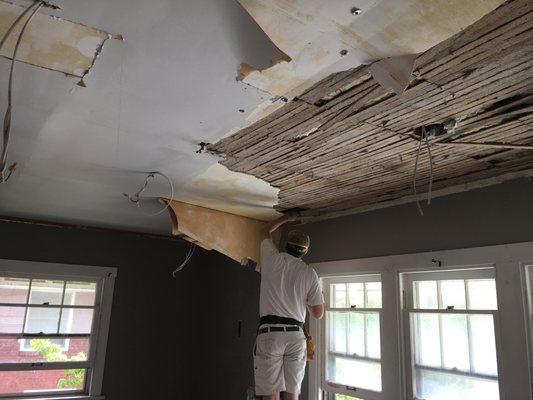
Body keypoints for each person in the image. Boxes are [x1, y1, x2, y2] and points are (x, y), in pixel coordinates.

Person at [254, 215, 325, 400]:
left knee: (271, 394)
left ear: (286, 245)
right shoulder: (309, 272)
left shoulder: (272, 258)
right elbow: (318, 313)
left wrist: (285, 218)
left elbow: (264, 230)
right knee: (292, 393)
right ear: (304, 252)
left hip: (271, 335)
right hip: (296, 335)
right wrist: (305, 302)